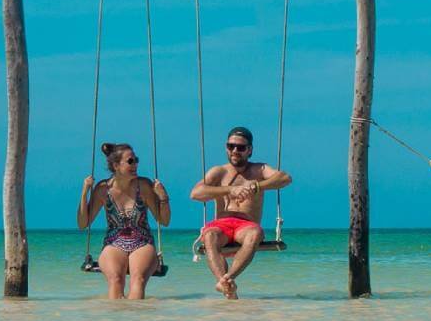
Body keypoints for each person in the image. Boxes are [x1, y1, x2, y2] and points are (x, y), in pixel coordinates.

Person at [190, 126, 291, 299]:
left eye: (241, 147)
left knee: (255, 233)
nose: (235, 151)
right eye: (231, 146)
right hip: (222, 224)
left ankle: (227, 279)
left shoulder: (259, 169)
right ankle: (226, 285)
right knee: (209, 236)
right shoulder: (219, 171)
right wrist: (230, 190)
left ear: (249, 150)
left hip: (246, 225)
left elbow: (285, 178)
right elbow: (196, 193)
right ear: (226, 148)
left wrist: (257, 186)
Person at [77, 142, 171, 299]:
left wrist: (163, 197)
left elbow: (164, 221)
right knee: (116, 280)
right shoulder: (102, 189)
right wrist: (85, 192)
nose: (135, 164)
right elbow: (82, 224)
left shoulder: (144, 186)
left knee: (138, 280)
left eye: (136, 160)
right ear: (116, 165)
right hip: (114, 243)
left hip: (142, 242)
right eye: (130, 161)